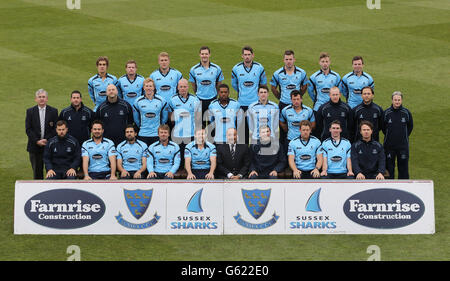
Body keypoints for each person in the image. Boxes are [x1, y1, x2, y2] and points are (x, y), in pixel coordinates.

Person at [231, 46, 267, 143]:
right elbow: (234, 84)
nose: (247, 57)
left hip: (256, 104)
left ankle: (257, 153)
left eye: (249, 55)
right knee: (243, 133)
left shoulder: (259, 68)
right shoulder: (236, 68)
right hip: (242, 104)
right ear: (242, 56)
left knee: (257, 130)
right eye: (245, 55)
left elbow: (263, 84)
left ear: (253, 55)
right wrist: (243, 92)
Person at [167, 79, 202, 168]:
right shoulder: (172, 100)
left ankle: (188, 170)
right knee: (178, 154)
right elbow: (170, 117)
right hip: (177, 133)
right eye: (181, 87)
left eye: (185, 87)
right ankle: (178, 170)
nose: (183, 89)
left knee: (189, 153)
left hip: (190, 133)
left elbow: (198, 117)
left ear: (188, 87)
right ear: (177, 88)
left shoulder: (195, 99)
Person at [26, 89, 58, 179]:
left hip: (50, 146)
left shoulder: (53, 111)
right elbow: (28, 129)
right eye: (39, 97)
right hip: (35, 147)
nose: (41, 99)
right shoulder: (30, 111)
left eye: (43, 97)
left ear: (47, 98)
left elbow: (55, 129)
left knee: (51, 172)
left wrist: (46, 139)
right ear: (36, 99)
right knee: (37, 173)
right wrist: (37, 141)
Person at [382, 91, 413, 179]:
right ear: (392, 100)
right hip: (389, 146)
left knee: (403, 169)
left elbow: (410, 127)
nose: (397, 102)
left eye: (399, 100)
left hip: (403, 146)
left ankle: (404, 188)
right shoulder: (386, 113)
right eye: (395, 100)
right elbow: (383, 128)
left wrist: (403, 136)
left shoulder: (406, 113)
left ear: (401, 100)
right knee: (389, 169)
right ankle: (389, 188)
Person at [189, 46, 224, 123]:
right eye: (202, 54)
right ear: (199, 55)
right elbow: (193, 86)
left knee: (213, 124)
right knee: (200, 124)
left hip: (213, 99)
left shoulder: (217, 68)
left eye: (206, 54)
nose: (204, 56)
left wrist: (215, 95)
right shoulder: (194, 69)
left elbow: (219, 85)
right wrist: (199, 93)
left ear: (209, 55)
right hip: (199, 100)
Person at [133, 78, 168, 146]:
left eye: (150, 86)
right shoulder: (137, 101)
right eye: (147, 86)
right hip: (143, 134)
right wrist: (142, 126)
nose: (148, 88)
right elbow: (136, 119)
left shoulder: (161, 101)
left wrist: (159, 127)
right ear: (143, 87)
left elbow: (165, 118)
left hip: (156, 134)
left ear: (154, 87)